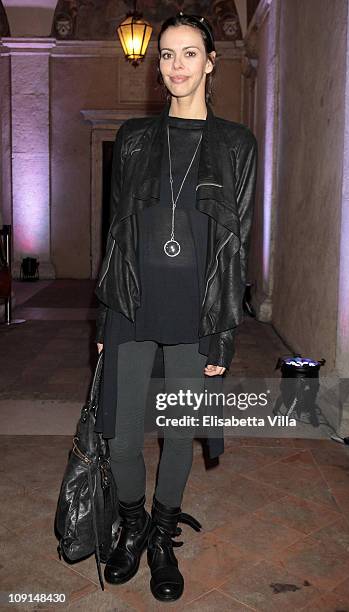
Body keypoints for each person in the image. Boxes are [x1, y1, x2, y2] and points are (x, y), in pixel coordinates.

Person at [94, 12, 258, 603]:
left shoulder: (236, 142)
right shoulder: (135, 138)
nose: (177, 65)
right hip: (133, 303)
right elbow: (116, 231)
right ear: (157, 64)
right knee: (122, 435)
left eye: (190, 53)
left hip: (197, 309)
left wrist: (225, 331)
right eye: (167, 54)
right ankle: (133, 524)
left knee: (181, 433)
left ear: (211, 62)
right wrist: (105, 312)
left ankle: (163, 535)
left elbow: (236, 241)